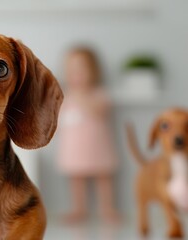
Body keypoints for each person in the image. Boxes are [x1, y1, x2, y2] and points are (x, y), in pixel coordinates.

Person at [57, 46, 119, 224]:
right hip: (74, 148)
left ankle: (108, 208)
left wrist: (80, 96)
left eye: (81, 69)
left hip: (97, 146)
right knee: (76, 179)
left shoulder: (99, 94)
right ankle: (79, 209)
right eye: (71, 70)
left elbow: (100, 111)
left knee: (103, 177)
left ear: (93, 71)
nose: (76, 74)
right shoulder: (64, 96)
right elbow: (59, 120)